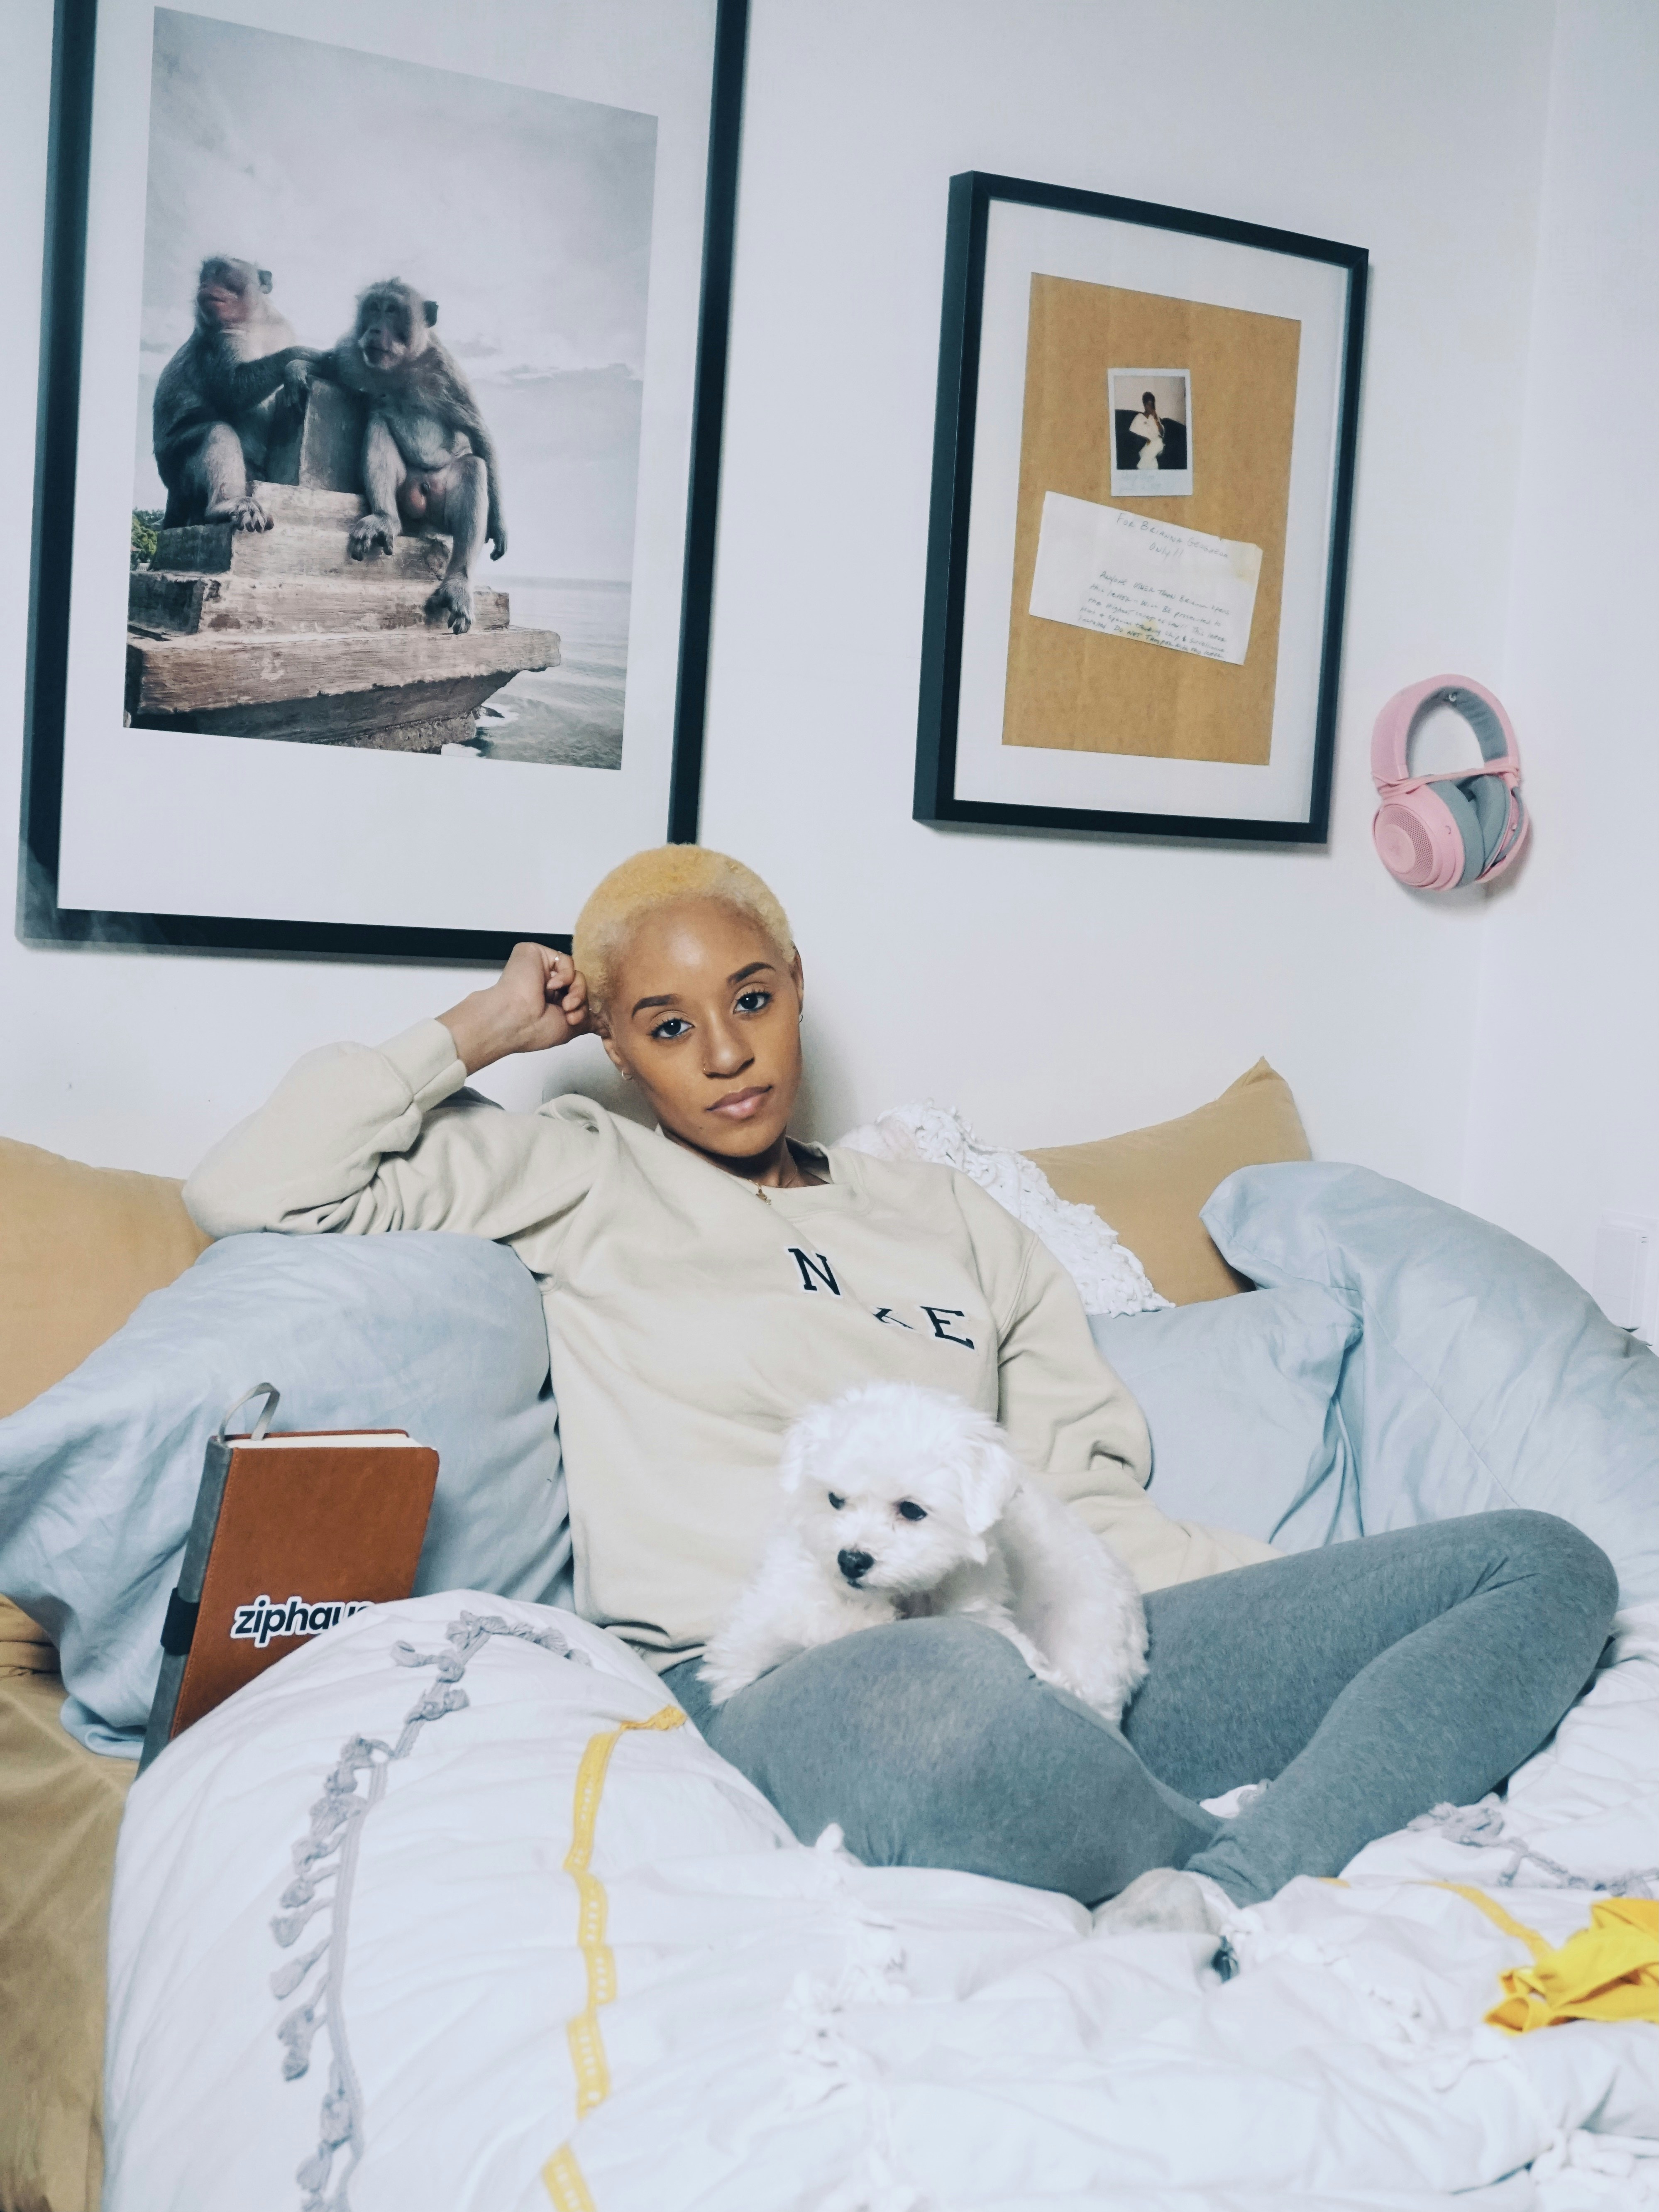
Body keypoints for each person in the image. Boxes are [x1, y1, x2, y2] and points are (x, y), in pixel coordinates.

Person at [185, 846, 1616, 1940]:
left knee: (1540, 1563)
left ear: (796, 983)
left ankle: (1230, 1881)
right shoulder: (576, 1167)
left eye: (750, 998)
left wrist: (1303, 1611)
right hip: (794, 1674)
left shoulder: (950, 1216)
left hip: (1037, 1642)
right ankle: (1219, 1855)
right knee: (942, 1692)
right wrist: (483, 1025)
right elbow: (246, 1187)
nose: (727, 1050)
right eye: (667, 1025)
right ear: (615, 1045)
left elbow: (1084, 1497)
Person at [1129, 389, 1165, 472]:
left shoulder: (1156, 418)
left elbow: (1162, 434)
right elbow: (1132, 435)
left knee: (1159, 441)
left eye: (1152, 404)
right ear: (1145, 405)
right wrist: (1146, 440)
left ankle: (1139, 468)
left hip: (1158, 447)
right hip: (1144, 448)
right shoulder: (1139, 418)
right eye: (1149, 404)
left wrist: (1156, 419)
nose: (1151, 407)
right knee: (1154, 464)